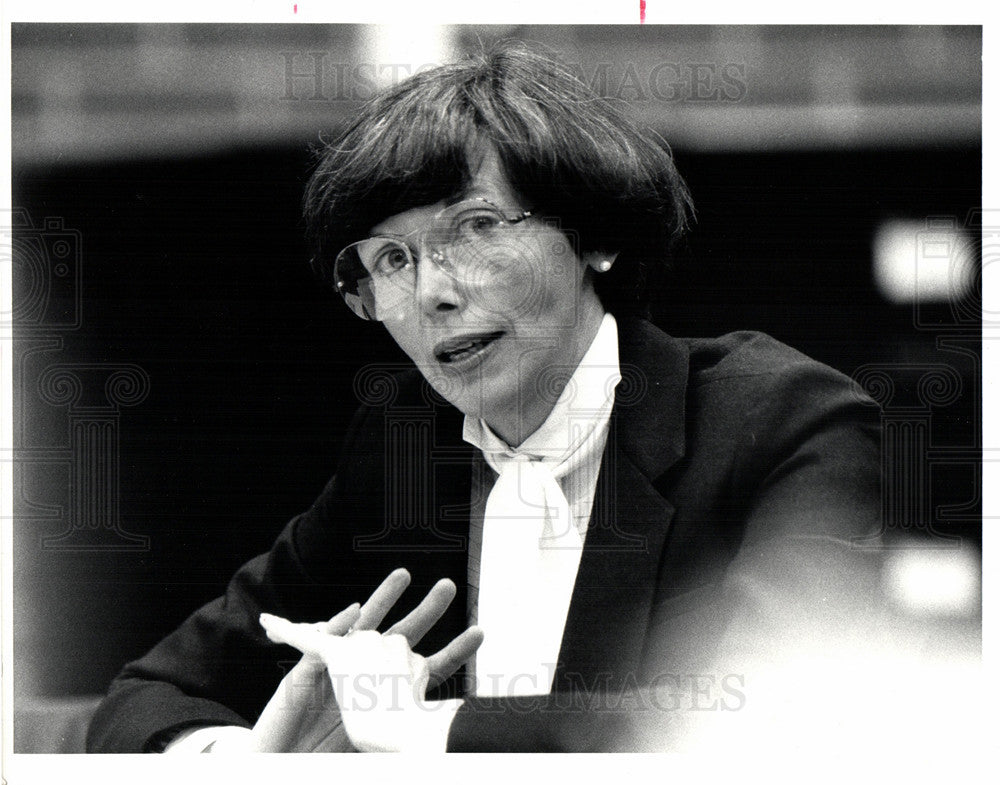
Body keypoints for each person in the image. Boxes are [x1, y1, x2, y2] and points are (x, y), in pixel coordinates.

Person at [86, 41, 883, 754]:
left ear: (597, 237)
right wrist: (234, 759)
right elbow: (146, 695)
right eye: (392, 258)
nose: (433, 291)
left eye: (473, 228)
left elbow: (776, 720)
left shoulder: (782, 420)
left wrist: (418, 726)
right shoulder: (404, 451)